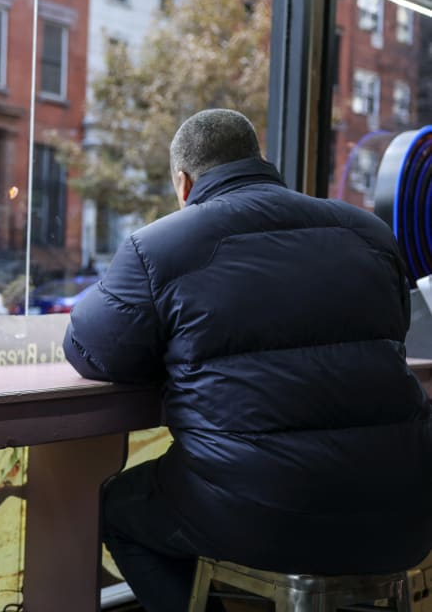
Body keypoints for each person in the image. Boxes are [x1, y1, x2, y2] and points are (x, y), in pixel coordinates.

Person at [63, 109, 432, 611]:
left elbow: (89, 350)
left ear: (183, 182)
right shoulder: (367, 233)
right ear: (261, 161)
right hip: (408, 508)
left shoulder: (159, 246)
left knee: (119, 512)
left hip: (262, 513)